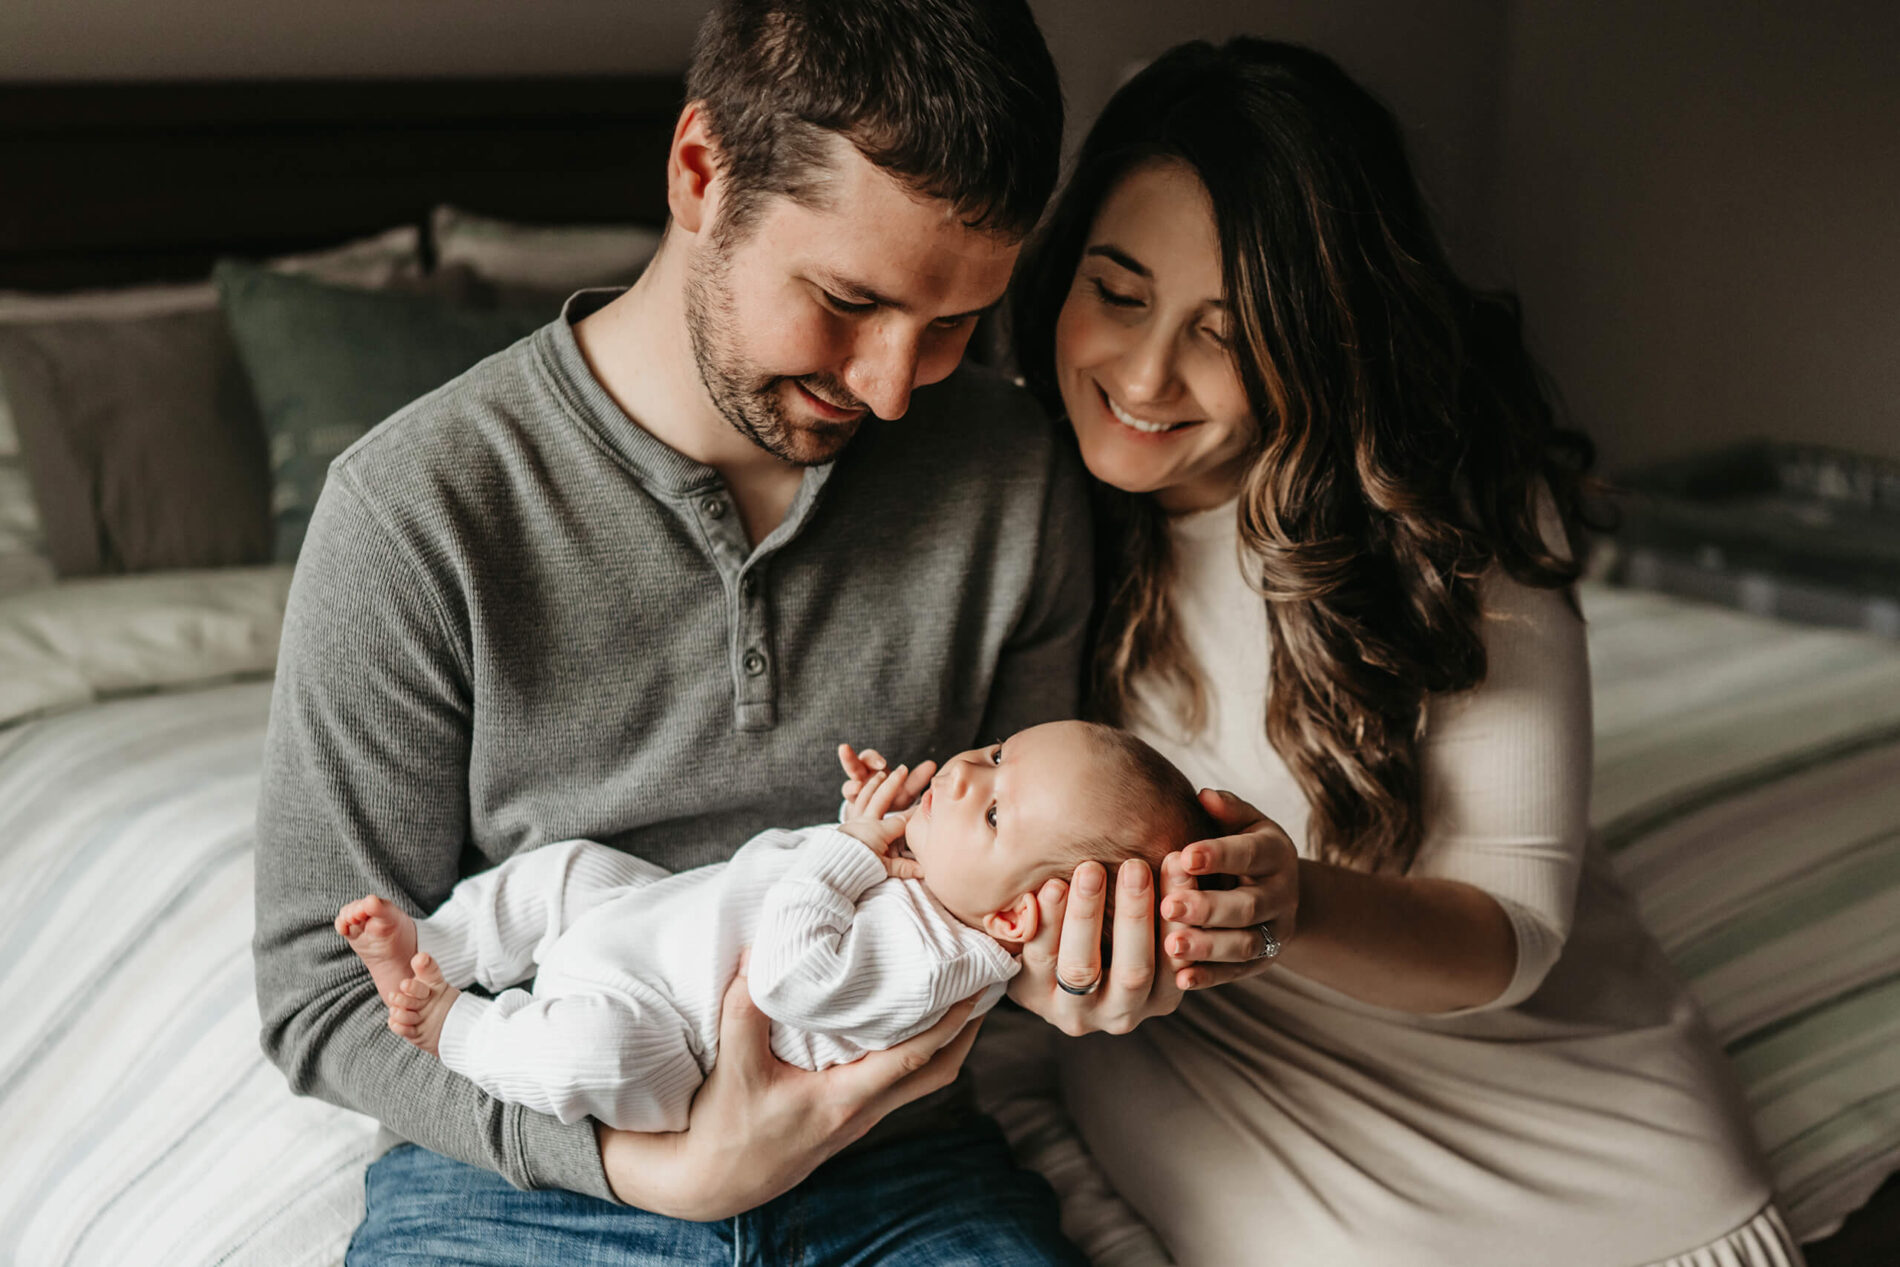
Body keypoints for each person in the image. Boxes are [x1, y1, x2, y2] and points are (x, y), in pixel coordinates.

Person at [253, 2, 1096, 1262]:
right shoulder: (415, 511)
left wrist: (1093, 956)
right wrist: (657, 1172)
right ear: (700, 171)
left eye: (956, 323)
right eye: (847, 301)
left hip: (901, 1167)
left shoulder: (1012, 473)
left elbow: (1031, 881)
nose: (889, 385)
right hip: (527, 1175)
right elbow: (319, 995)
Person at [1004, 38, 1801, 1267]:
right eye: (1117, 292)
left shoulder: (1445, 519)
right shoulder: (1005, 491)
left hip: (1550, 1123)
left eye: (1227, 330)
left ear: (1320, 338)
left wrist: (1288, 903)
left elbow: (1513, 930)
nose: (1146, 373)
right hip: (1217, 1099)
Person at [337, 723, 1210, 1132]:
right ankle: (436, 946)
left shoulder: (938, 957)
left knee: (585, 1058)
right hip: (650, 924)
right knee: (565, 870)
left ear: (1013, 915)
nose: (960, 773)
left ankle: (457, 1024)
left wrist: (851, 847)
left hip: (660, 1030)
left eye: (988, 810)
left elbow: (790, 977)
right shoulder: (942, 876)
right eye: (993, 754)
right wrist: (867, 816)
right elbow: (828, 873)